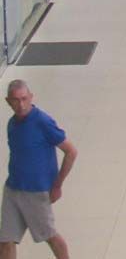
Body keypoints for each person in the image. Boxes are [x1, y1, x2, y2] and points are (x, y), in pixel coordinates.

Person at [0, 80, 78, 259]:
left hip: (36, 192)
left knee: (50, 236)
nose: (20, 105)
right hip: (13, 189)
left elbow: (71, 152)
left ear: (31, 97)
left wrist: (57, 185)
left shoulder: (42, 121)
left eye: (24, 99)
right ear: (7, 101)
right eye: (15, 100)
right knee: (5, 241)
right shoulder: (12, 124)